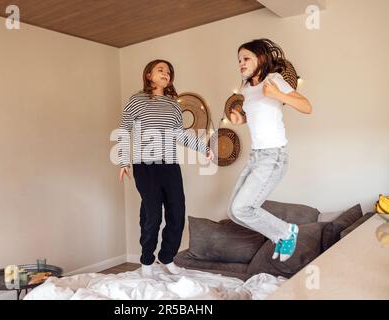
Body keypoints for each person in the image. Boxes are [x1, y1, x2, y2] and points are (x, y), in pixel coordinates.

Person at [118, 59, 214, 276]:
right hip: (145, 166)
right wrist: (123, 161)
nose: (166, 73)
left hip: (170, 166)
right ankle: (146, 261)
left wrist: (203, 147)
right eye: (160, 69)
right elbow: (124, 130)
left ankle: (167, 257)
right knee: (152, 214)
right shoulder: (136, 100)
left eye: (169, 71)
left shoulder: (173, 105)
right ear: (149, 75)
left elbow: (180, 134)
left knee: (177, 212)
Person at [227, 39, 312, 262]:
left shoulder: (274, 80)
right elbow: (258, 115)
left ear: (261, 58)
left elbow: (306, 106)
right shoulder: (246, 88)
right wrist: (240, 119)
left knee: (243, 208)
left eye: (245, 58)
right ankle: (279, 236)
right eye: (239, 60)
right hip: (256, 156)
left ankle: (286, 231)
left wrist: (278, 95)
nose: (241, 64)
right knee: (234, 212)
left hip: (273, 155)